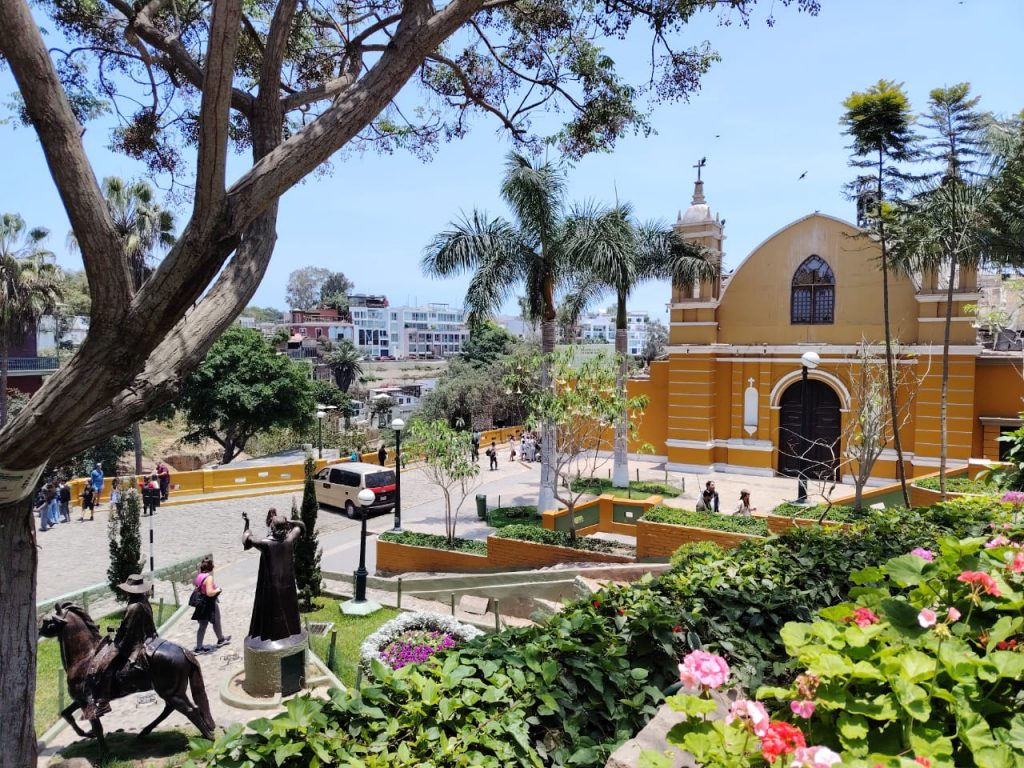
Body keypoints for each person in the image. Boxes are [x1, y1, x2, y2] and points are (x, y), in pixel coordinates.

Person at [81, 573, 158, 720]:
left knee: (105, 664)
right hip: (148, 637)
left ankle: (104, 701)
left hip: (135, 643)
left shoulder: (133, 607)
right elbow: (130, 626)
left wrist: (116, 642)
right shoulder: (143, 600)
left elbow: (127, 632)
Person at [242, 509, 306, 642]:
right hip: (287, 586)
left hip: (272, 588)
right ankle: (290, 632)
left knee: (273, 614)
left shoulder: (265, 544)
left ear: (272, 527)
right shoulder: (289, 539)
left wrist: (247, 524)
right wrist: (290, 521)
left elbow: (246, 539)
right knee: (289, 611)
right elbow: (301, 526)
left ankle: (272, 636)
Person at [192, 556, 230, 653]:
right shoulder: (208, 577)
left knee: (203, 625)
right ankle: (220, 640)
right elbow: (209, 592)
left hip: (201, 603)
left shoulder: (199, 575)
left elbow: (196, 585)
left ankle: (200, 646)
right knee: (216, 621)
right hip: (209, 603)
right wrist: (218, 589)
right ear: (211, 568)